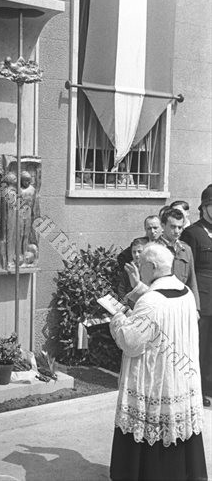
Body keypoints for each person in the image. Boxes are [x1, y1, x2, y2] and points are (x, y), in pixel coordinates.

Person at [109, 243, 207, 481]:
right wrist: (139, 289)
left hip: (156, 381)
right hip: (179, 379)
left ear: (152, 267)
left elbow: (131, 342)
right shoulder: (185, 292)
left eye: (141, 265)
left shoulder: (151, 301)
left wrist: (118, 317)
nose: (139, 269)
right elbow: (160, 312)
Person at [126, 208, 200, 309]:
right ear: (163, 226)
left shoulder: (186, 249)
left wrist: (196, 308)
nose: (177, 231)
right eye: (173, 227)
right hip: (159, 304)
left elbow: (192, 281)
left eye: (180, 227)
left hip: (181, 304)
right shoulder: (151, 249)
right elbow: (145, 281)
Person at [182, 184, 212, 407]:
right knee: (200, 347)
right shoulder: (192, 233)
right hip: (202, 299)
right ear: (204, 207)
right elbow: (186, 270)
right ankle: (198, 390)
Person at [118, 237, 148, 309]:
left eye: (139, 251)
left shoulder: (151, 270)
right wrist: (125, 305)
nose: (136, 255)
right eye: (134, 252)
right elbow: (121, 290)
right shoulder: (128, 269)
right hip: (130, 307)